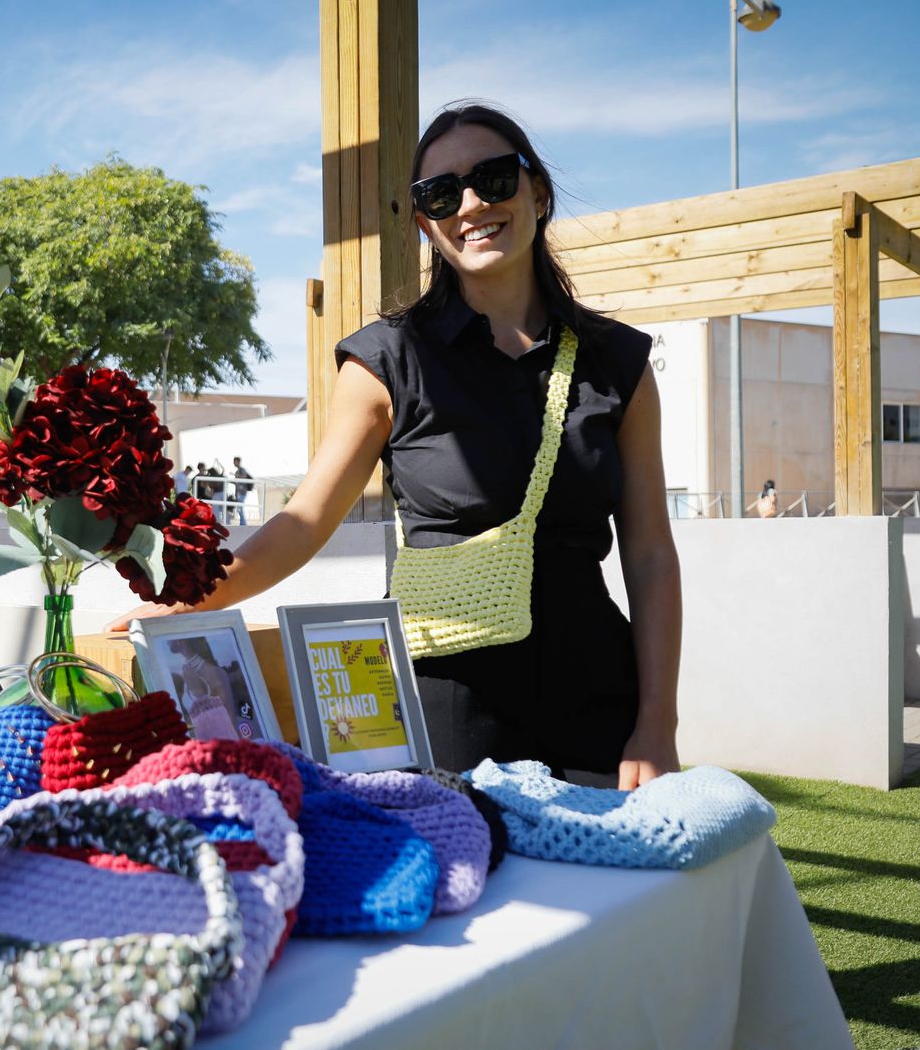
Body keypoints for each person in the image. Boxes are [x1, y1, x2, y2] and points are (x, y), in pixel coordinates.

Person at [112, 102, 680, 791]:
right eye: (441, 194)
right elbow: (302, 522)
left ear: (538, 191)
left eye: (494, 178)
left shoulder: (616, 362)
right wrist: (185, 599)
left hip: (597, 703)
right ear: (424, 223)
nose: (471, 205)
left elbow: (649, 553)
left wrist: (656, 722)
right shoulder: (387, 359)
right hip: (446, 703)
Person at [230, 456, 253, 526]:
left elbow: (244, 477)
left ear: (238, 462)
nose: (234, 463)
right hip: (238, 493)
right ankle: (242, 522)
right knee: (239, 508)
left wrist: (235, 475)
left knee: (240, 507)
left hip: (242, 492)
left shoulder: (242, 470)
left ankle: (243, 523)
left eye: (235, 461)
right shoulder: (238, 471)